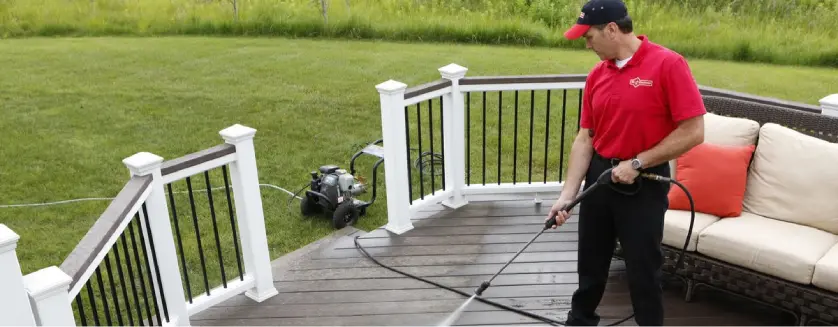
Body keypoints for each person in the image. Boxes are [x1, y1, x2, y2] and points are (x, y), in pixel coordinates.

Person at [545, 0, 706, 325]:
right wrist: (567, 195)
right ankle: (579, 322)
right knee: (589, 265)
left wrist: (638, 162)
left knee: (643, 271)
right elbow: (586, 138)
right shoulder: (596, 75)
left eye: (589, 37)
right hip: (600, 178)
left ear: (612, 30)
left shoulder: (668, 64)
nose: (586, 44)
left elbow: (694, 132)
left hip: (644, 183)